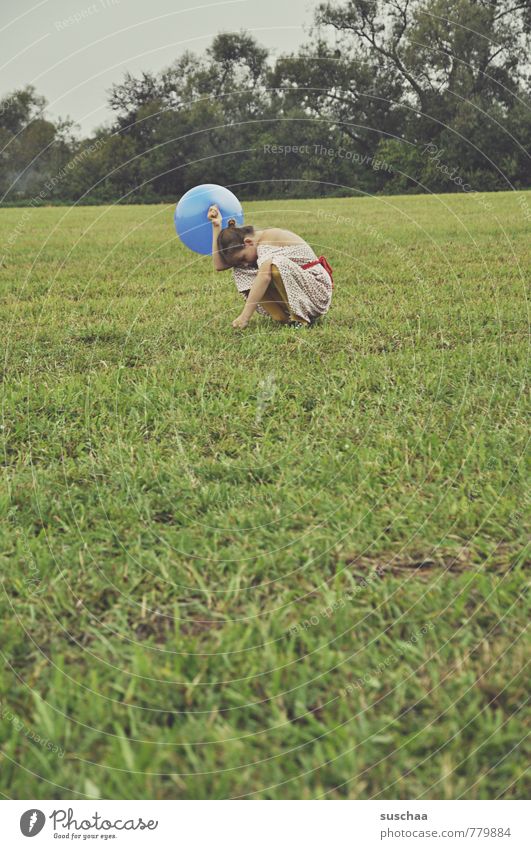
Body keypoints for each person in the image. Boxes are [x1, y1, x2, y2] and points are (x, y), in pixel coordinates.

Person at [207, 205, 333, 329]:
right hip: (301, 292)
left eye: (243, 258)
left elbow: (265, 277)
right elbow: (219, 265)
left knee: (274, 265)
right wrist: (216, 226)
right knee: (240, 271)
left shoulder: (266, 242)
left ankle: (300, 319)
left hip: (317, 291)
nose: (245, 263)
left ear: (248, 242)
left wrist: (244, 317)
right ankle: (283, 318)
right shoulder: (253, 245)